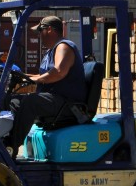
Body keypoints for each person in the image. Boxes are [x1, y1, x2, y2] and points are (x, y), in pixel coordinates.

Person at [6, 15, 86, 158]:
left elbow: (58, 73)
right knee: (14, 101)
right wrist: (25, 76)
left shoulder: (63, 46)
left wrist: (35, 80)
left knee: (31, 102)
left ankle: (10, 147)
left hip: (66, 103)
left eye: (40, 31)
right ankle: (5, 139)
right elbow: (45, 75)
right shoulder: (51, 51)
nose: (39, 35)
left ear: (49, 30)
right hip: (54, 99)